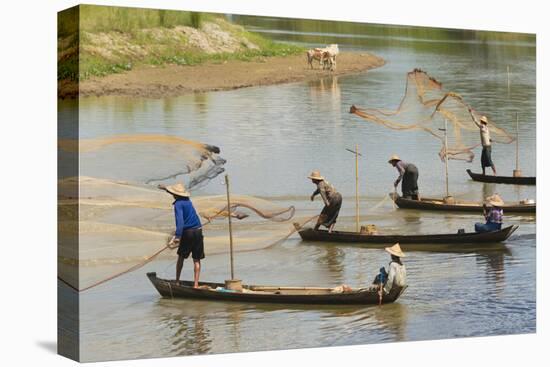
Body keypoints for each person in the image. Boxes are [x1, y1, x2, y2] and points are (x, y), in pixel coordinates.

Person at [161, 183, 204, 288]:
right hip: (198, 230)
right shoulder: (188, 202)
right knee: (196, 259)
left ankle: (177, 282)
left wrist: (177, 236)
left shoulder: (178, 204)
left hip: (188, 232)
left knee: (181, 257)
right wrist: (165, 188)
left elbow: (180, 222)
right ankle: (196, 284)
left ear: (174, 195)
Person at [469, 111, 497, 176]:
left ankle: (495, 173)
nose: (481, 123)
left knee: (489, 160)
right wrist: (490, 139)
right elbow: (488, 136)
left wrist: (471, 113)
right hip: (485, 147)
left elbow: (475, 121)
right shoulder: (486, 128)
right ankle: (484, 173)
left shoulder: (482, 127)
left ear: (482, 122)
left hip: (487, 147)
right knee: (482, 160)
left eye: (481, 121)